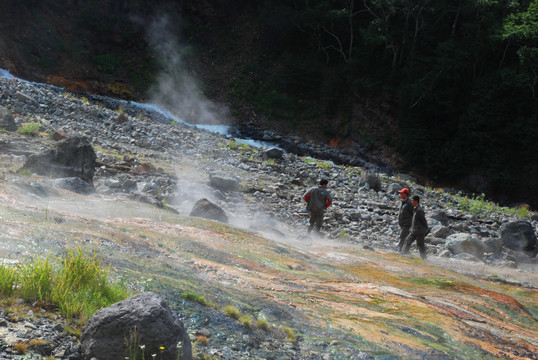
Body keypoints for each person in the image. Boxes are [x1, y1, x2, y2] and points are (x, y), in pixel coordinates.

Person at [397, 187, 413, 252]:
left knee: (402, 236)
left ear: (406, 194)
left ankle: (399, 250)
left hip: (407, 223)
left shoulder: (409, 203)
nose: (400, 194)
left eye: (401, 193)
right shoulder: (402, 201)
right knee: (404, 237)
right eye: (400, 193)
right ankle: (405, 251)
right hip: (402, 223)